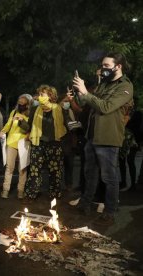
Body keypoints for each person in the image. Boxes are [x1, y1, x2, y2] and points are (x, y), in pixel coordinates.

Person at [73, 52, 134, 225]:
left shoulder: (125, 87)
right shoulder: (104, 84)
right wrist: (80, 92)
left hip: (108, 138)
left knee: (109, 177)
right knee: (90, 173)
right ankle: (85, 204)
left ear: (118, 66)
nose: (103, 69)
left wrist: (86, 92)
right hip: (92, 136)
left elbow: (106, 107)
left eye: (107, 66)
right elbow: (86, 103)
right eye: (103, 65)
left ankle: (110, 211)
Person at [21, 85, 67, 201]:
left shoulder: (59, 109)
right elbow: (30, 126)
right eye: (40, 94)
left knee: (55, 170)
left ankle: (55, 194)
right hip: (38, 143)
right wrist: (20, 123)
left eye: (42, 94)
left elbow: (65, 125)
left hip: (54, 143)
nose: (40, 97)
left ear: (50, 96)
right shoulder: (35, 109)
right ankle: (31, 194)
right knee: (35, 170)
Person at [1, 94, 32, 199]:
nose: (21, 105)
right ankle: (5, 189)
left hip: (23, 143)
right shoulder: (14, 112)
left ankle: (21, 190)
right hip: (11, 142)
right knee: (9, 167)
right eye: (19, 103)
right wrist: (3, 131)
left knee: (22, 168)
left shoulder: (31, 114)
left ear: (28, 104)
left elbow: (29, 128)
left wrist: (21, 121)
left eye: (23, 103)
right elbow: (8, 124)